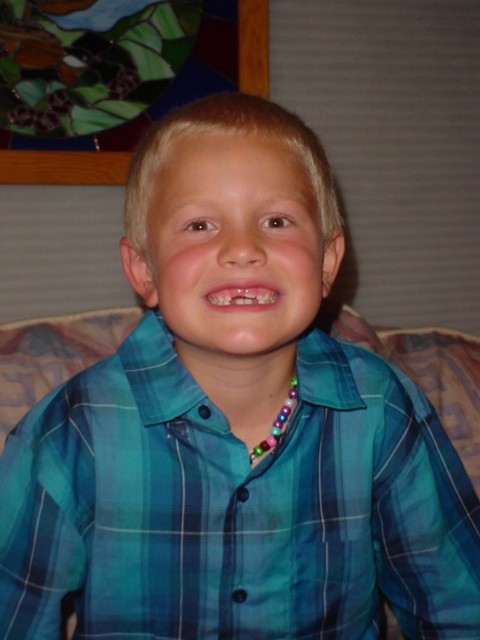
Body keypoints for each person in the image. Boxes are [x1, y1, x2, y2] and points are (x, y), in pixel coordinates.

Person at [0, 92, 479, 640]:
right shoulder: (71, 434)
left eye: (276, 220)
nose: (243, 248)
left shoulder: (382, 409)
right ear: (144, 270)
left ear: (327, 262)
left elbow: (457, 605)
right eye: (200, 225)